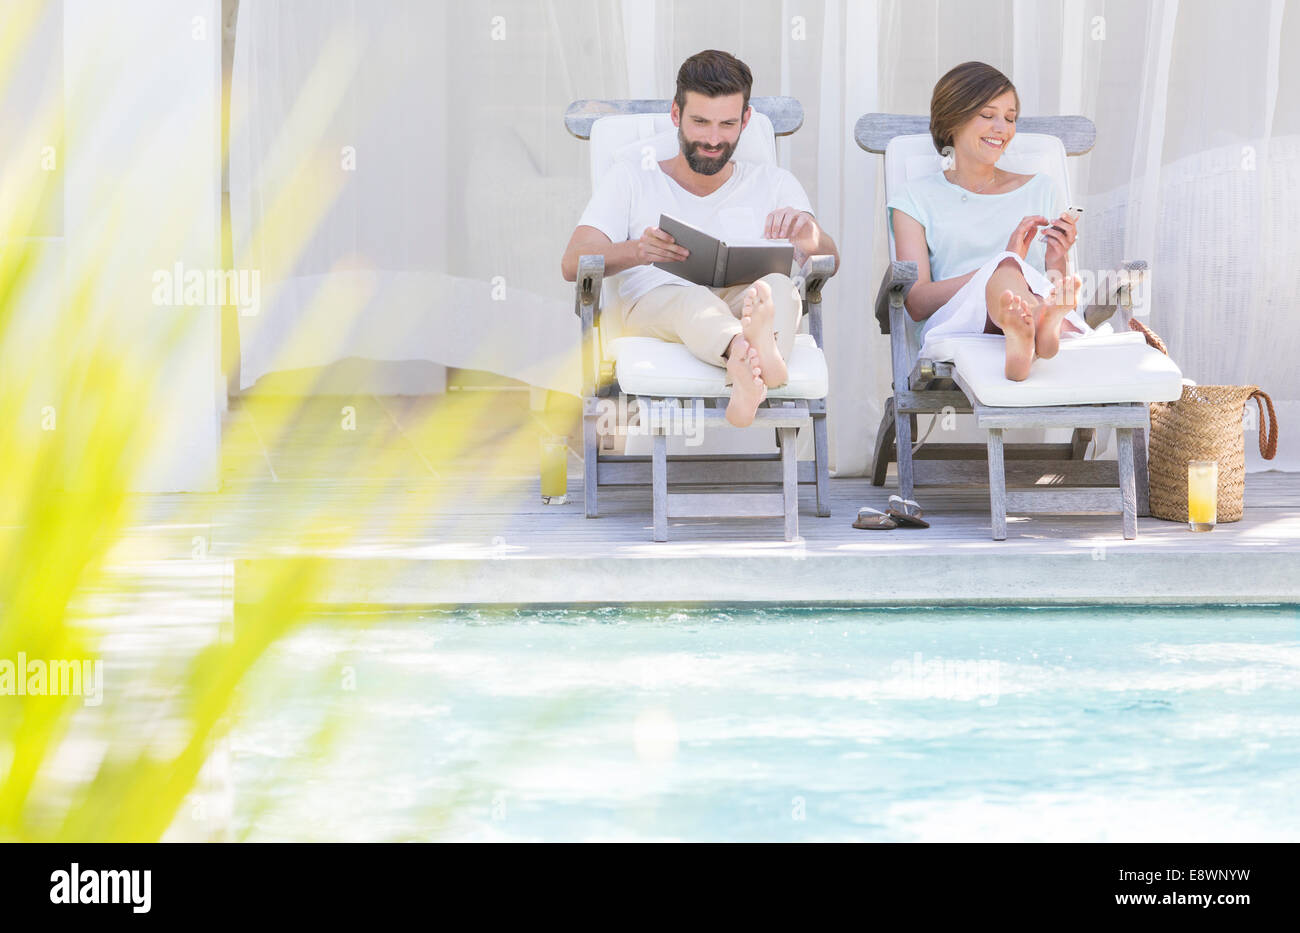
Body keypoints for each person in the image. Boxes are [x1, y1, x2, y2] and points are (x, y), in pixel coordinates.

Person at [561, 49, 839, 426]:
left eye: (727, 124)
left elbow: (830, 260)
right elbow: (572, 260)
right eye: (700, 122)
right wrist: (637, 250)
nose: (712, 138)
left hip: (740, 298)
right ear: (675, 114)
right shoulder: (631, 178)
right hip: (656, 302)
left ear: (746, 119)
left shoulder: (773, 183)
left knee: (779, 290)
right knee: (692, 299)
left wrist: (810, 235)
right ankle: (757, 356)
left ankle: (750, 369)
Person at [888, 61, 1087, 382]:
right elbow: (916, 302)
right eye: (987, 115)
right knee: (1006, 268)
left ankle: (1029, 331)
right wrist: (1000, 265)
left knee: (1025, 284)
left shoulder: (1041, 189)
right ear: (953, 117)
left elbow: (1053, 284)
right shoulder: (913, 199)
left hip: (1032, 301)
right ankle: (1040, 330)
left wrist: (1056, 259)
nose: (1002, 128)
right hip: (961, 323)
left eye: (1010, 118)